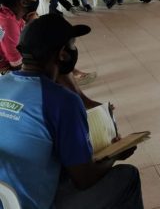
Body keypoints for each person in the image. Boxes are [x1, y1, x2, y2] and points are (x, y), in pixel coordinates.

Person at [0, 13, 144, 209]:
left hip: (5, 198)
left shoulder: (3, 83)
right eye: (72, 45)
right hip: (32, 204)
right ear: (62, 53)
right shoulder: (61, 100)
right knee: (127, 176)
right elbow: (84, 178)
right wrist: (115, 155)